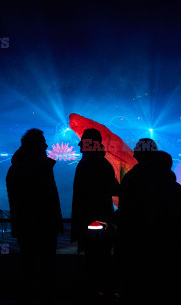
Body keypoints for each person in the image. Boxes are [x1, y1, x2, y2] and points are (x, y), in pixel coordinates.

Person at [117, 139, 181, 304]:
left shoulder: (132, 179)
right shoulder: (172, 187)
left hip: (137, 244)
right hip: (166, 246)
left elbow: (126, 211)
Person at [6, 128, 62, 305]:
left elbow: (16, 201)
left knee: (28, 266)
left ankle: (27, 299)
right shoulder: (41, 168)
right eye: (43, 142)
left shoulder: (16, 169)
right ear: (35, 145)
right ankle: (47, 299)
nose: (46, 145)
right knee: (47, 267)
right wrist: (56, 220)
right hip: (44, 224)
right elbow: (50, 197)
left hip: (26, 226)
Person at [71, 128, 120, 300]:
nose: (80, 148)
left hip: (89, 220)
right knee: (103, 258)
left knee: (92, 259)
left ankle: (93, 292)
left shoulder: (85, 165)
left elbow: (79, 196)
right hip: (102, 219)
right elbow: (113, 188)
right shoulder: (103, 164)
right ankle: (105, 291)